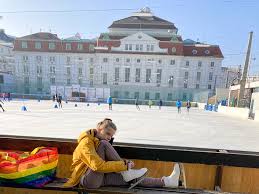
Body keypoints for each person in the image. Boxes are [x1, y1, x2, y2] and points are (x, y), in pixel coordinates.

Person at [64, 118, 184, 189]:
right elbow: (97, 166)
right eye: (107, 133)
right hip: (85, 179)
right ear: (99, 129)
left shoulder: (98, 142)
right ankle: (127, 172)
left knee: (133, 179)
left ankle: (167, 182)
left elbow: (101, 165)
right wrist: (124, 166)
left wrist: (124, 165)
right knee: (106, 145)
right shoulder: (86, 143)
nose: (108, 137)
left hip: (99, 177)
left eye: (111, 136)